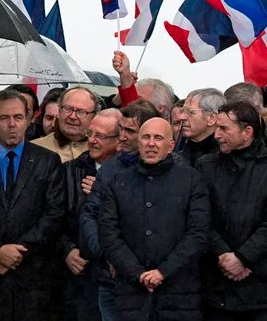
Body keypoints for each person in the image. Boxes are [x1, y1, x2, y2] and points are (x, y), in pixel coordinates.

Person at [0, 88, 66, 321]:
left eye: (18, 117)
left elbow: (54, 215)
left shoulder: (48, 161)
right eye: (4, 118)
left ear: (29, 120)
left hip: (34, 279)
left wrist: (16, 253)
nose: (12, 124)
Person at [97, 118, 210, 321]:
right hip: (131, 292)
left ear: (171, 146)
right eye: (146, 137)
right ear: (138, 142)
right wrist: (138, 273)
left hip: (179, 292)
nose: (151, 143)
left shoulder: (191, 180)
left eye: (158, 138)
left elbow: (198, 233)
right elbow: (109, 234)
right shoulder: (118, 181)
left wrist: (163, 271)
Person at [78, 99, 159, 321]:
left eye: (130, 131)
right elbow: (90, 215)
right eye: (121, 129)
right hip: (110, 279)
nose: (122, 136)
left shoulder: (177, 171)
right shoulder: (110, 169)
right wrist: (110, 256)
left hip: (153, 281)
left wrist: (131, 265)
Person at [198, 101, 267, 320]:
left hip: (262, 293)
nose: (216, 135)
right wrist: (223, 254)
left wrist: (243, 258)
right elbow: (200, 216)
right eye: (216, 128)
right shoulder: (206, 166)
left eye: (224, 129)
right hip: (215, 289)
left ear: (247, 132)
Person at [59, 109, 121, 321]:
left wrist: (106, 192)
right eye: (90, 134)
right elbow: (53, 216)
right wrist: (66, 250)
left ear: (120, 139)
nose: (92, 141)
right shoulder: (68, 171)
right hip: (75, 274)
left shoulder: (130, 175)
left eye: (101, 136)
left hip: (114, 276)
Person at [33, 87, 98, 162]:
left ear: (94, 117)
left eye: (81, 112)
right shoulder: (34, 148)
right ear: (59, 111)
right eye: (67, 109)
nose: (73, 116)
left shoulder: (103, 152)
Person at [175, 88, 226, 166]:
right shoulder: (176, 159)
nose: (182, 117)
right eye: (183, 111)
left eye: (191, 112)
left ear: (211, 118)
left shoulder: (226, 159)